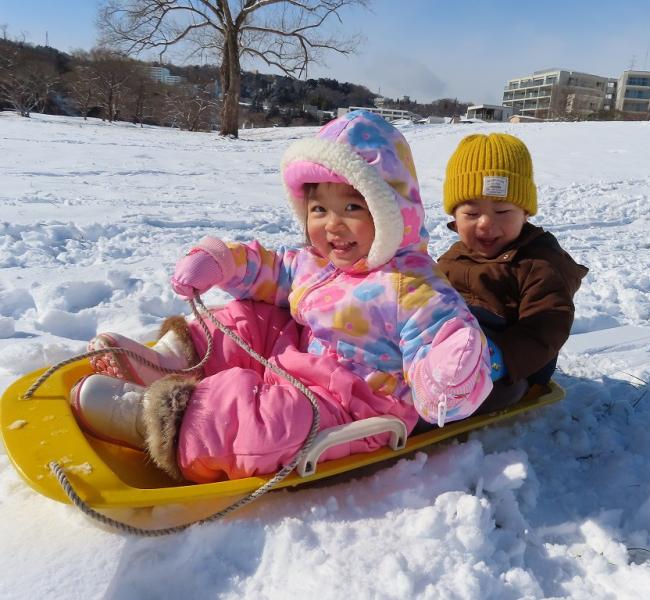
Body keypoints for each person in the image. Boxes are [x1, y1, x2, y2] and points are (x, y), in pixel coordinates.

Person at [70, 110, 492, 483]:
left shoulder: (411, 284)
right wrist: (224, 262)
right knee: (249, 316)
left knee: (275, 422)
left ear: (390, 212)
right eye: (319, 210)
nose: (332, 225)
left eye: (352, 208)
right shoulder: (319, 261)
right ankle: (169, 360)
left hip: (353, 401)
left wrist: (446, 373)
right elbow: (272, 270)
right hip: (299, 358)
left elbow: (442, 331)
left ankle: (160, 419)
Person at [437, 133, 588, 413]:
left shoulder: (540, 264)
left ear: (525, 214)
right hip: (451, 358)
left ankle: (418, 411)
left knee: (473, 393)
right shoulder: (451, 258)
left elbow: (545, 327)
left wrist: (500, 359)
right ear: (455, 217)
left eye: (502, 211)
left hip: (513, 372)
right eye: (471, 214)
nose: (485, 223)